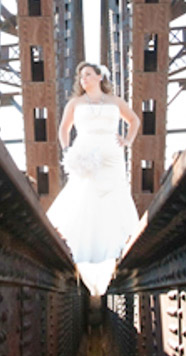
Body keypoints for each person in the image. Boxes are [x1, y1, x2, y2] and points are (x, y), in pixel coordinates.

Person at [45, 61, 141, 296]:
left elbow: (134, 120)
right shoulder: (75, 103)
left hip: (111, 155)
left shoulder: (115, 102)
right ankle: (81, 252)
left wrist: (127, 141)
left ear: (99, 77)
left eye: (88, 74)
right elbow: (63, 129)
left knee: (114, 194)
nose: (83, 79)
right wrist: (68, 150)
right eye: (81, 76)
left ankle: (117, 250)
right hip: (86, 152)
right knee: (83, 195)